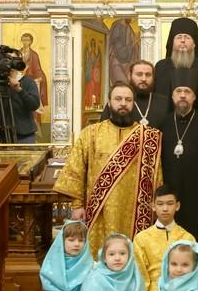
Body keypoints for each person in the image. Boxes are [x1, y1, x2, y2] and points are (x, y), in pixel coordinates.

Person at [54, 83, 164, 256]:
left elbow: (157, 178)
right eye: (118, 99)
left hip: (136, 213)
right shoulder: (91, 134)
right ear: (110, 102)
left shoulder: (149, 137)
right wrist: (77, 205)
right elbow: (75, 170)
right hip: (99, 212)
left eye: (128, 100)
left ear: (133, 103)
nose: (123, 103)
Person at [160, 69, 198, 242]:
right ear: (172, 96)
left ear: (194, 97)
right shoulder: (163, 123)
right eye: (178, 91)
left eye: (187, 91)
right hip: (170, 195)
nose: (182, 95)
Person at [133, 186, 196, 291]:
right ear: (153, 206)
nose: (165, 209)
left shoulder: (187, 238)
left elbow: (194, 274)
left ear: (177, 206)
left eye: (170, 203)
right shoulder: (142, 238)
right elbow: (140, 276)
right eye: (160, 204)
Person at [0, 52, 41, 143]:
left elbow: (34, 105)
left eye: (13, 60)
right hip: (1, 135)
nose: (9, 63)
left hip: (24, 135)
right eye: (7, 59)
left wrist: (20, 90)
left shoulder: (27, 81)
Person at [101, 60, 170, 128]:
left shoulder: (165, 103)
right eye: (139, 74)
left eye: (148, 75)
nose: (144, 79)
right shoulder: (118, 102)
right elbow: (103, 129)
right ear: (129, 76)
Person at [154, 17, 198, 97]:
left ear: (194, 44)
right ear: (172, 43)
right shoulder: (161, 67)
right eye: (179, 37)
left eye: (187, 37)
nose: (183, 40)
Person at [19, 32, 48, 125]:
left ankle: (34, 125)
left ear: (31, 42)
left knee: (32, 101)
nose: (25, 42)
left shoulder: (34, 55)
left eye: (27, 40)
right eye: (24, 40)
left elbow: (38, 69)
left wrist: (40, 77)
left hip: (31, 82)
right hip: (19, 82)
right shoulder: (18, 54)